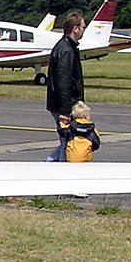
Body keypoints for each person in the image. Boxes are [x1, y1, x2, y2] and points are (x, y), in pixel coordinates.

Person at [44, 11, 86, 161]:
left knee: (67, 141)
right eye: (82, 27)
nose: (83, 30)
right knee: (68, 142)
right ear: (75, 29)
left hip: (64, 104)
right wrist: (64, 112)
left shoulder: (67, 47)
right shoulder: (66, 50)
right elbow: (64, 82)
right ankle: (56, 168)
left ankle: (49, 164)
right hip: (64, 106)